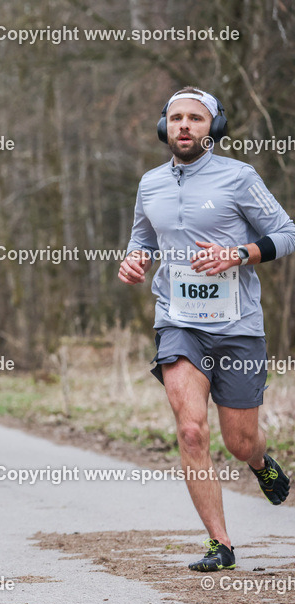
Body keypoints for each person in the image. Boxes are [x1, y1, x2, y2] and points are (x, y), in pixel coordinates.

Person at [119, 86, 292, 572]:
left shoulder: (240, 177)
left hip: (237, 326)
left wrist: (238, 253)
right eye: (176, 118)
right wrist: (135, 260)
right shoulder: (150, 183)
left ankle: (259, 462)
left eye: (196, 118)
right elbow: (142, 238)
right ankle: (221, 544)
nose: (184, 126)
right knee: (192, 431)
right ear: (164, 127)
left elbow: (286, 232)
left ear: (212, 127)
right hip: (178, 322)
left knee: (238, 440)